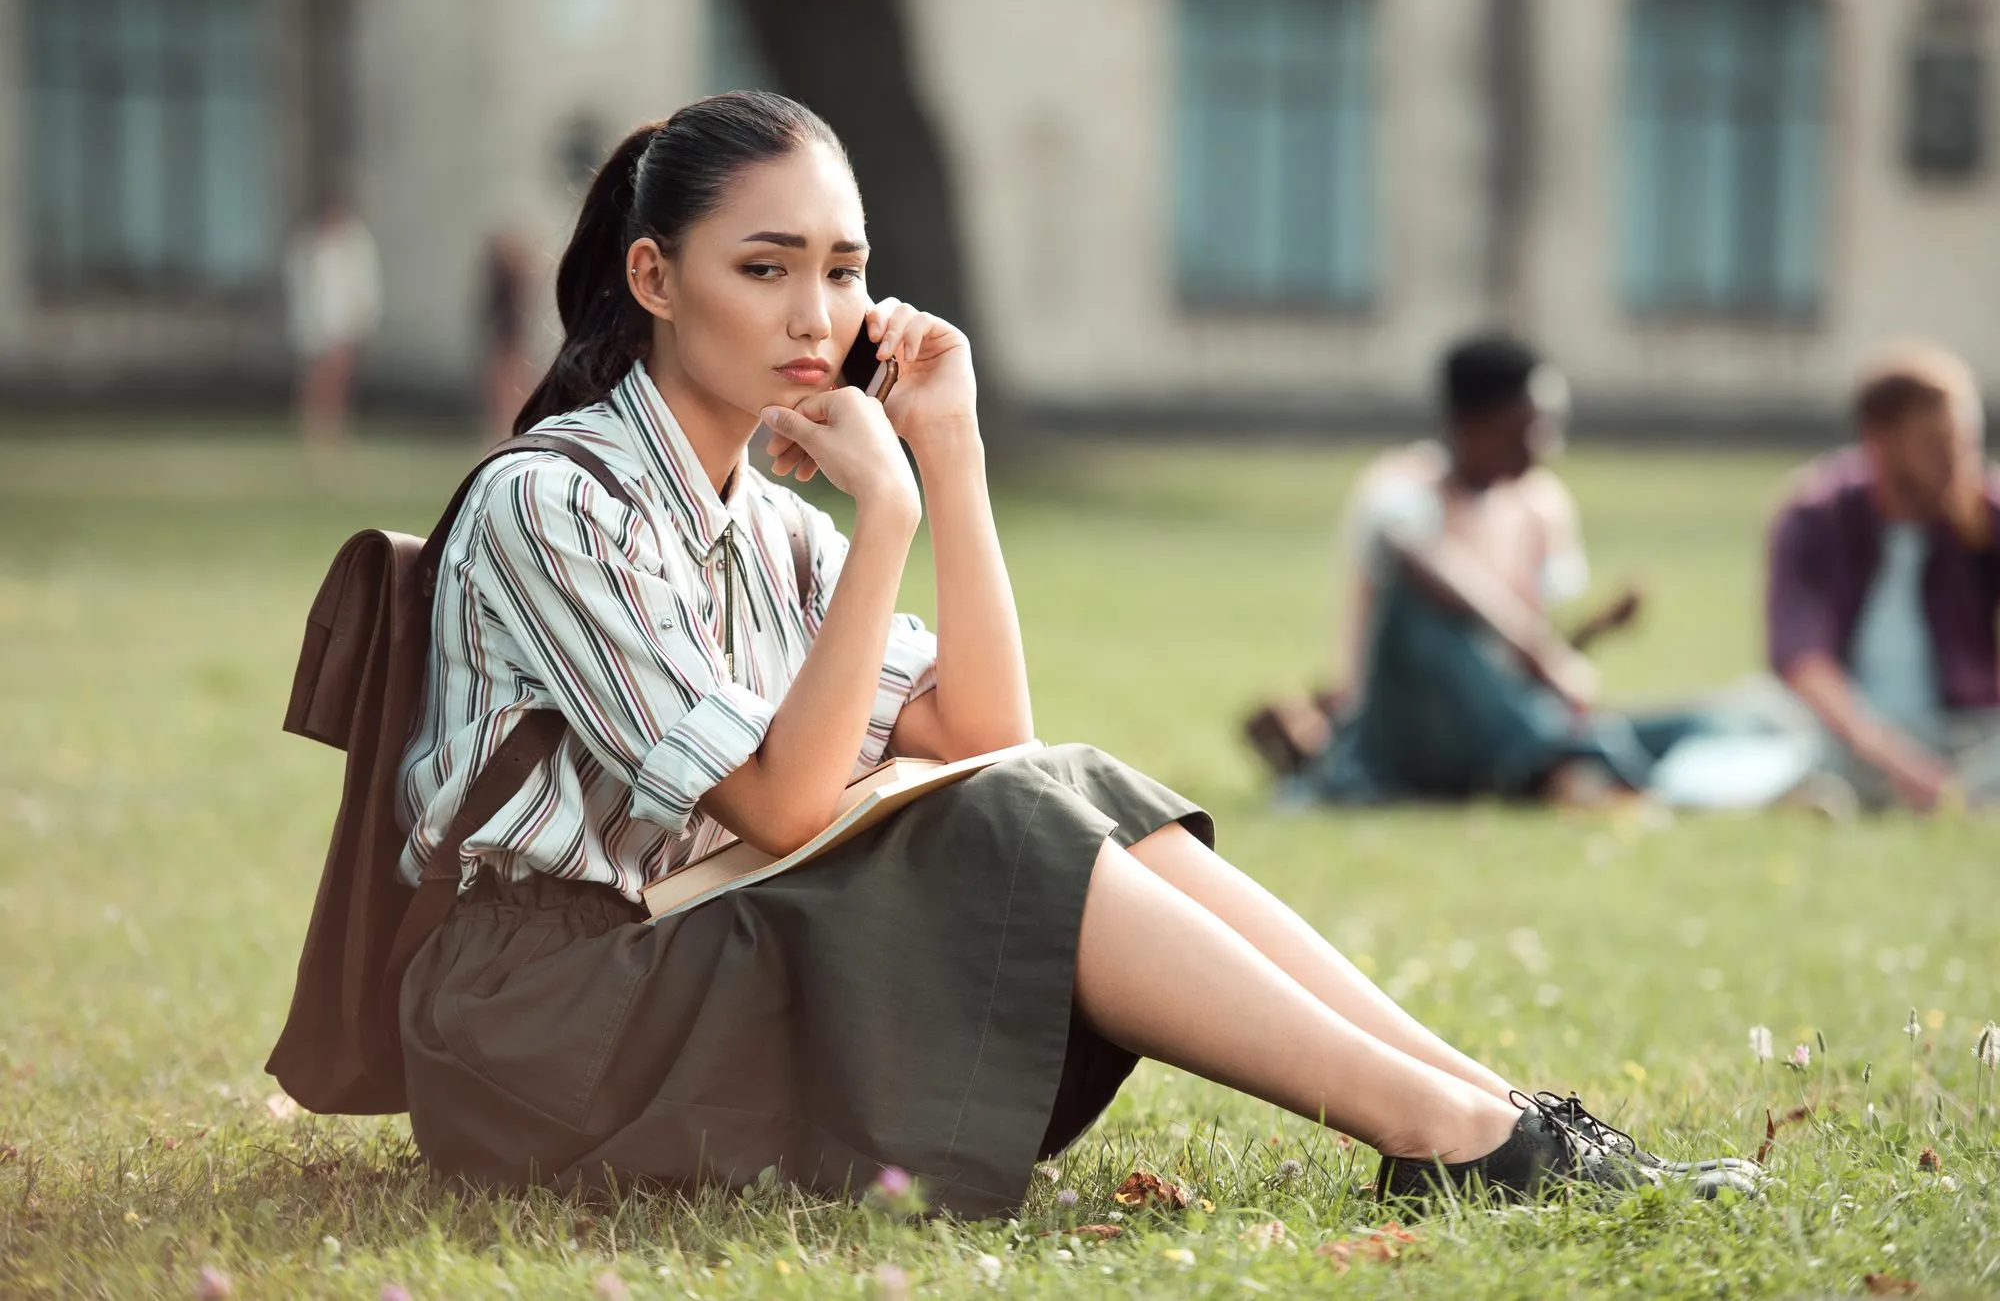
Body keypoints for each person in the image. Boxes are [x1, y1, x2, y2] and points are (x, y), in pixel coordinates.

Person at [393, 94, 1755, 1217]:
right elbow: (782, 806)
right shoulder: (555, 500)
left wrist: (954, 446)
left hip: (689, 948)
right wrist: (890, 513)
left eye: (844, 268)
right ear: (656, 278)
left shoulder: (771, 522)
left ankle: (1490, 1111)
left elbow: (994, 736)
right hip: (547, 1023)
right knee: (995, 820)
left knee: (1072, 778)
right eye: (766, 267)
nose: (818, 316)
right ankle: (1454, 1133)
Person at [1297, 337, 1698, 805]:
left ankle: (1569, 761)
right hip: (1411, 727)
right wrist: (1530, 645)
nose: (1545, 447)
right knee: (1419, 610)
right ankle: (1570, 764)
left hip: (1505, 718)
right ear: (1468, 423)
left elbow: (1529, 667)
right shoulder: (1402, 489)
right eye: (1526, 429)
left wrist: (1592, 631)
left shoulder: (1540, 505)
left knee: (1706, 721)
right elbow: (1419, 562)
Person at [1766, 342, 2000, 810]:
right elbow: (1804, 664)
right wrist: (1900, 763)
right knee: (1763, 733)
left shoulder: (1985, 513)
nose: (1959, 465)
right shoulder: (1816, 516)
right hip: (1848, 734)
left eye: (1966, 446)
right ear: (1880, 440)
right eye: (1937, 446)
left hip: (1961, 730)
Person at [285, 196, 382, 452]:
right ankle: (315, 431)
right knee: (316, 380)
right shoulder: (309, 242)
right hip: (316, 324)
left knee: (340, 380)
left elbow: (364, 284)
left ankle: (337, 430)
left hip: (344, 323)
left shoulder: (355, 241)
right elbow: (300, 284)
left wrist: (362, 320)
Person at [478, 230, 538, 444]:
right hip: (505, 336)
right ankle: (504, 426)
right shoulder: (505, 289)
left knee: (509, 381)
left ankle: (508, 426)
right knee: (505, 381)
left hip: (509, 337)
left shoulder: (512, 289)